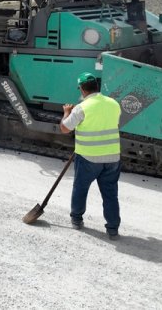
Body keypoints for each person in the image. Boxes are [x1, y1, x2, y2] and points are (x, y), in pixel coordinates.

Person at [59, 72, 122, 239]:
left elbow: (65, 128)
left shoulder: (82, 107)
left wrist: (66, 112)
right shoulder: (114, 104)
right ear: (97, 86)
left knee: (80, 188)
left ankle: (77, 220)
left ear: (82, 89)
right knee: (110, 194)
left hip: (88, 158)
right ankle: (113, 229)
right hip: (112, 158)